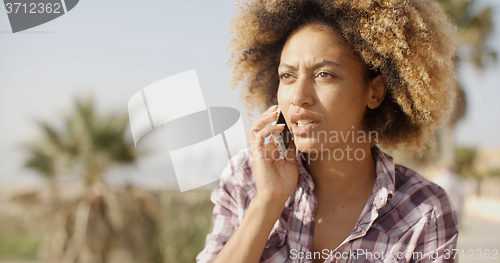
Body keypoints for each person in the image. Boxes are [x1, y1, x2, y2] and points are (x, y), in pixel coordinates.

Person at [197, 0, 459, 262]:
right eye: (287, 76)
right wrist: (267, 202)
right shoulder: (246, 176)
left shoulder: (423, 211)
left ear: (375, 91)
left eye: (324, 74)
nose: (299, 97)